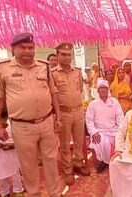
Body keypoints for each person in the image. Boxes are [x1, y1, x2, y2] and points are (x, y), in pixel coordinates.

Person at [0, 33, 62, 197]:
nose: (28, 51)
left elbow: (53, 92)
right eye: (23, 48)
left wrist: (58, 117)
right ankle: (34, 193)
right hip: (22, 125)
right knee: (28, 164)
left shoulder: (43, 66)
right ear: (13, 49)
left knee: (51, 161)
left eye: (31, 48)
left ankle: (55, 193)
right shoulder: (2, 67)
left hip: (46, 122)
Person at [51, 42, 91, 186]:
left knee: (79, 140)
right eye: (63, 54)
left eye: (69, 54)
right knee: (65, 144)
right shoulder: (53, 74)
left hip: (78, 111)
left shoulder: (78, 71)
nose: (67, 57)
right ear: (57, 55)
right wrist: (57, 116)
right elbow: (52, 96)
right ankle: (67, 170)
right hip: (64, 113)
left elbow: (80, 90)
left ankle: (78, 164)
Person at [86, 79, 124, 173]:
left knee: (120, 141)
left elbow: (120, 117)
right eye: (101, 88)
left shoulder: (114, 102)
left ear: (108, 90)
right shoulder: (93, 104)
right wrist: (93, 132)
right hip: (99, 131)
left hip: (114, 130)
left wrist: (121, 130)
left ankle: (116, 162)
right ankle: (103, 162)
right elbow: (89, 120)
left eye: (104, 88)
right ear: (98, 91)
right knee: (102, 142)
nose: (103, 90)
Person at [0, 111, 24, 197]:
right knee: (2, 179)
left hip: (13, 159)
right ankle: (5, 194)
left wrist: (11, 146)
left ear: (5, 118)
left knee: (16, 177)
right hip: (0, 161)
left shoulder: (12, 128)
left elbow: (21, 142)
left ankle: (18, 192)